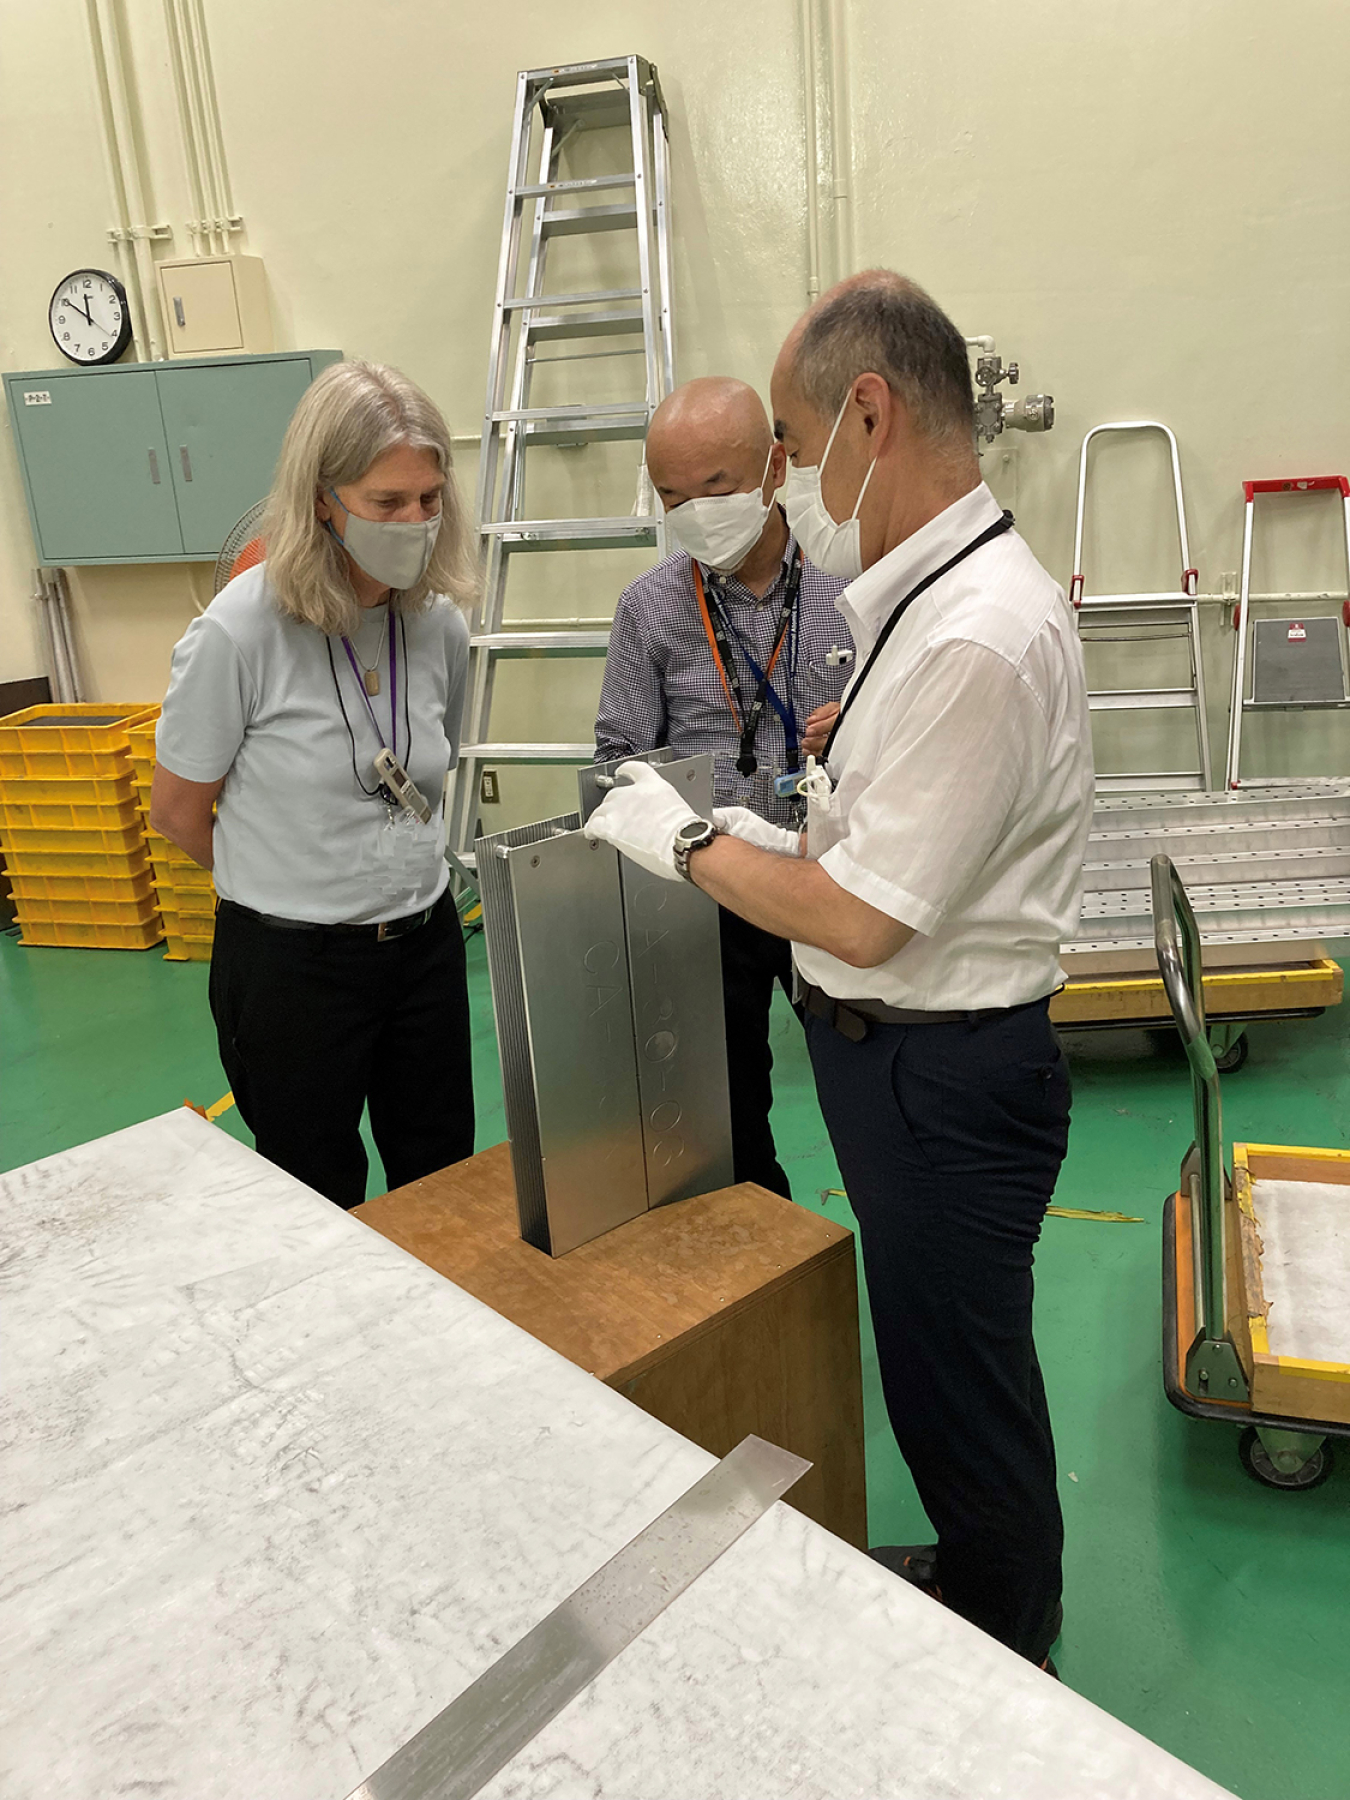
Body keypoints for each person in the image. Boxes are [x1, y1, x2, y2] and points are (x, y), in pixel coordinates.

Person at [585, 272, 1094, 1672]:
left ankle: (1008, 1649)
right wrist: (774, 822)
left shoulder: (976, 634)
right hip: (895, 1064)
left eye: (796, 452)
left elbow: (865, 921)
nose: (791, 483)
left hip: (941, 1066)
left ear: (868, 415)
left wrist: (687, 838)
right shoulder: (920, 604)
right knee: (933, 1371)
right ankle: (984, 1573)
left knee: (963, 1383)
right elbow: (871, 831)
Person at [150, 359, 479, 1210]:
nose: (415, 522)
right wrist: (289, 887)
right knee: (313, 1194)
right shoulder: (239, 631)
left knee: (439, 1179)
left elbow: (436, 757)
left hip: (423, 946)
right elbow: (181, 812)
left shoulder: (435, 622)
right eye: (387, 503)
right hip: (292, 968)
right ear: (324, 499)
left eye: (429, 500)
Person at [595, 376, 854, 1198]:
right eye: (674, 495)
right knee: (725, 1095)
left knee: (858, 1066)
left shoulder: (849, 593)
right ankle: (755, 1229)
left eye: (717, 487)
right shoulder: (649, 610)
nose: (697, 511)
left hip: (826, 876)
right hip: (711, 885)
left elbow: (905, 732)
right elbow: (618, 758)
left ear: (776, 468)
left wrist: (853, 727)